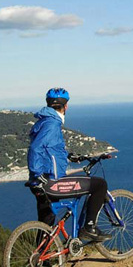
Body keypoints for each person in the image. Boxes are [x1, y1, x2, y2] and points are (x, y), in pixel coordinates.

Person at [27, 87, 111, 242]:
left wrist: (69, 156)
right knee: (99, 185)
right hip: (50, 181)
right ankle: (89, 228)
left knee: (47, 220)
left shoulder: (44, 121)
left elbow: (50, 149)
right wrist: (38, 174)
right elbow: (35, 148)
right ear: (65, 107)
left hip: (39, 183)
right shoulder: (52, 124)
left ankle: (41, 260)